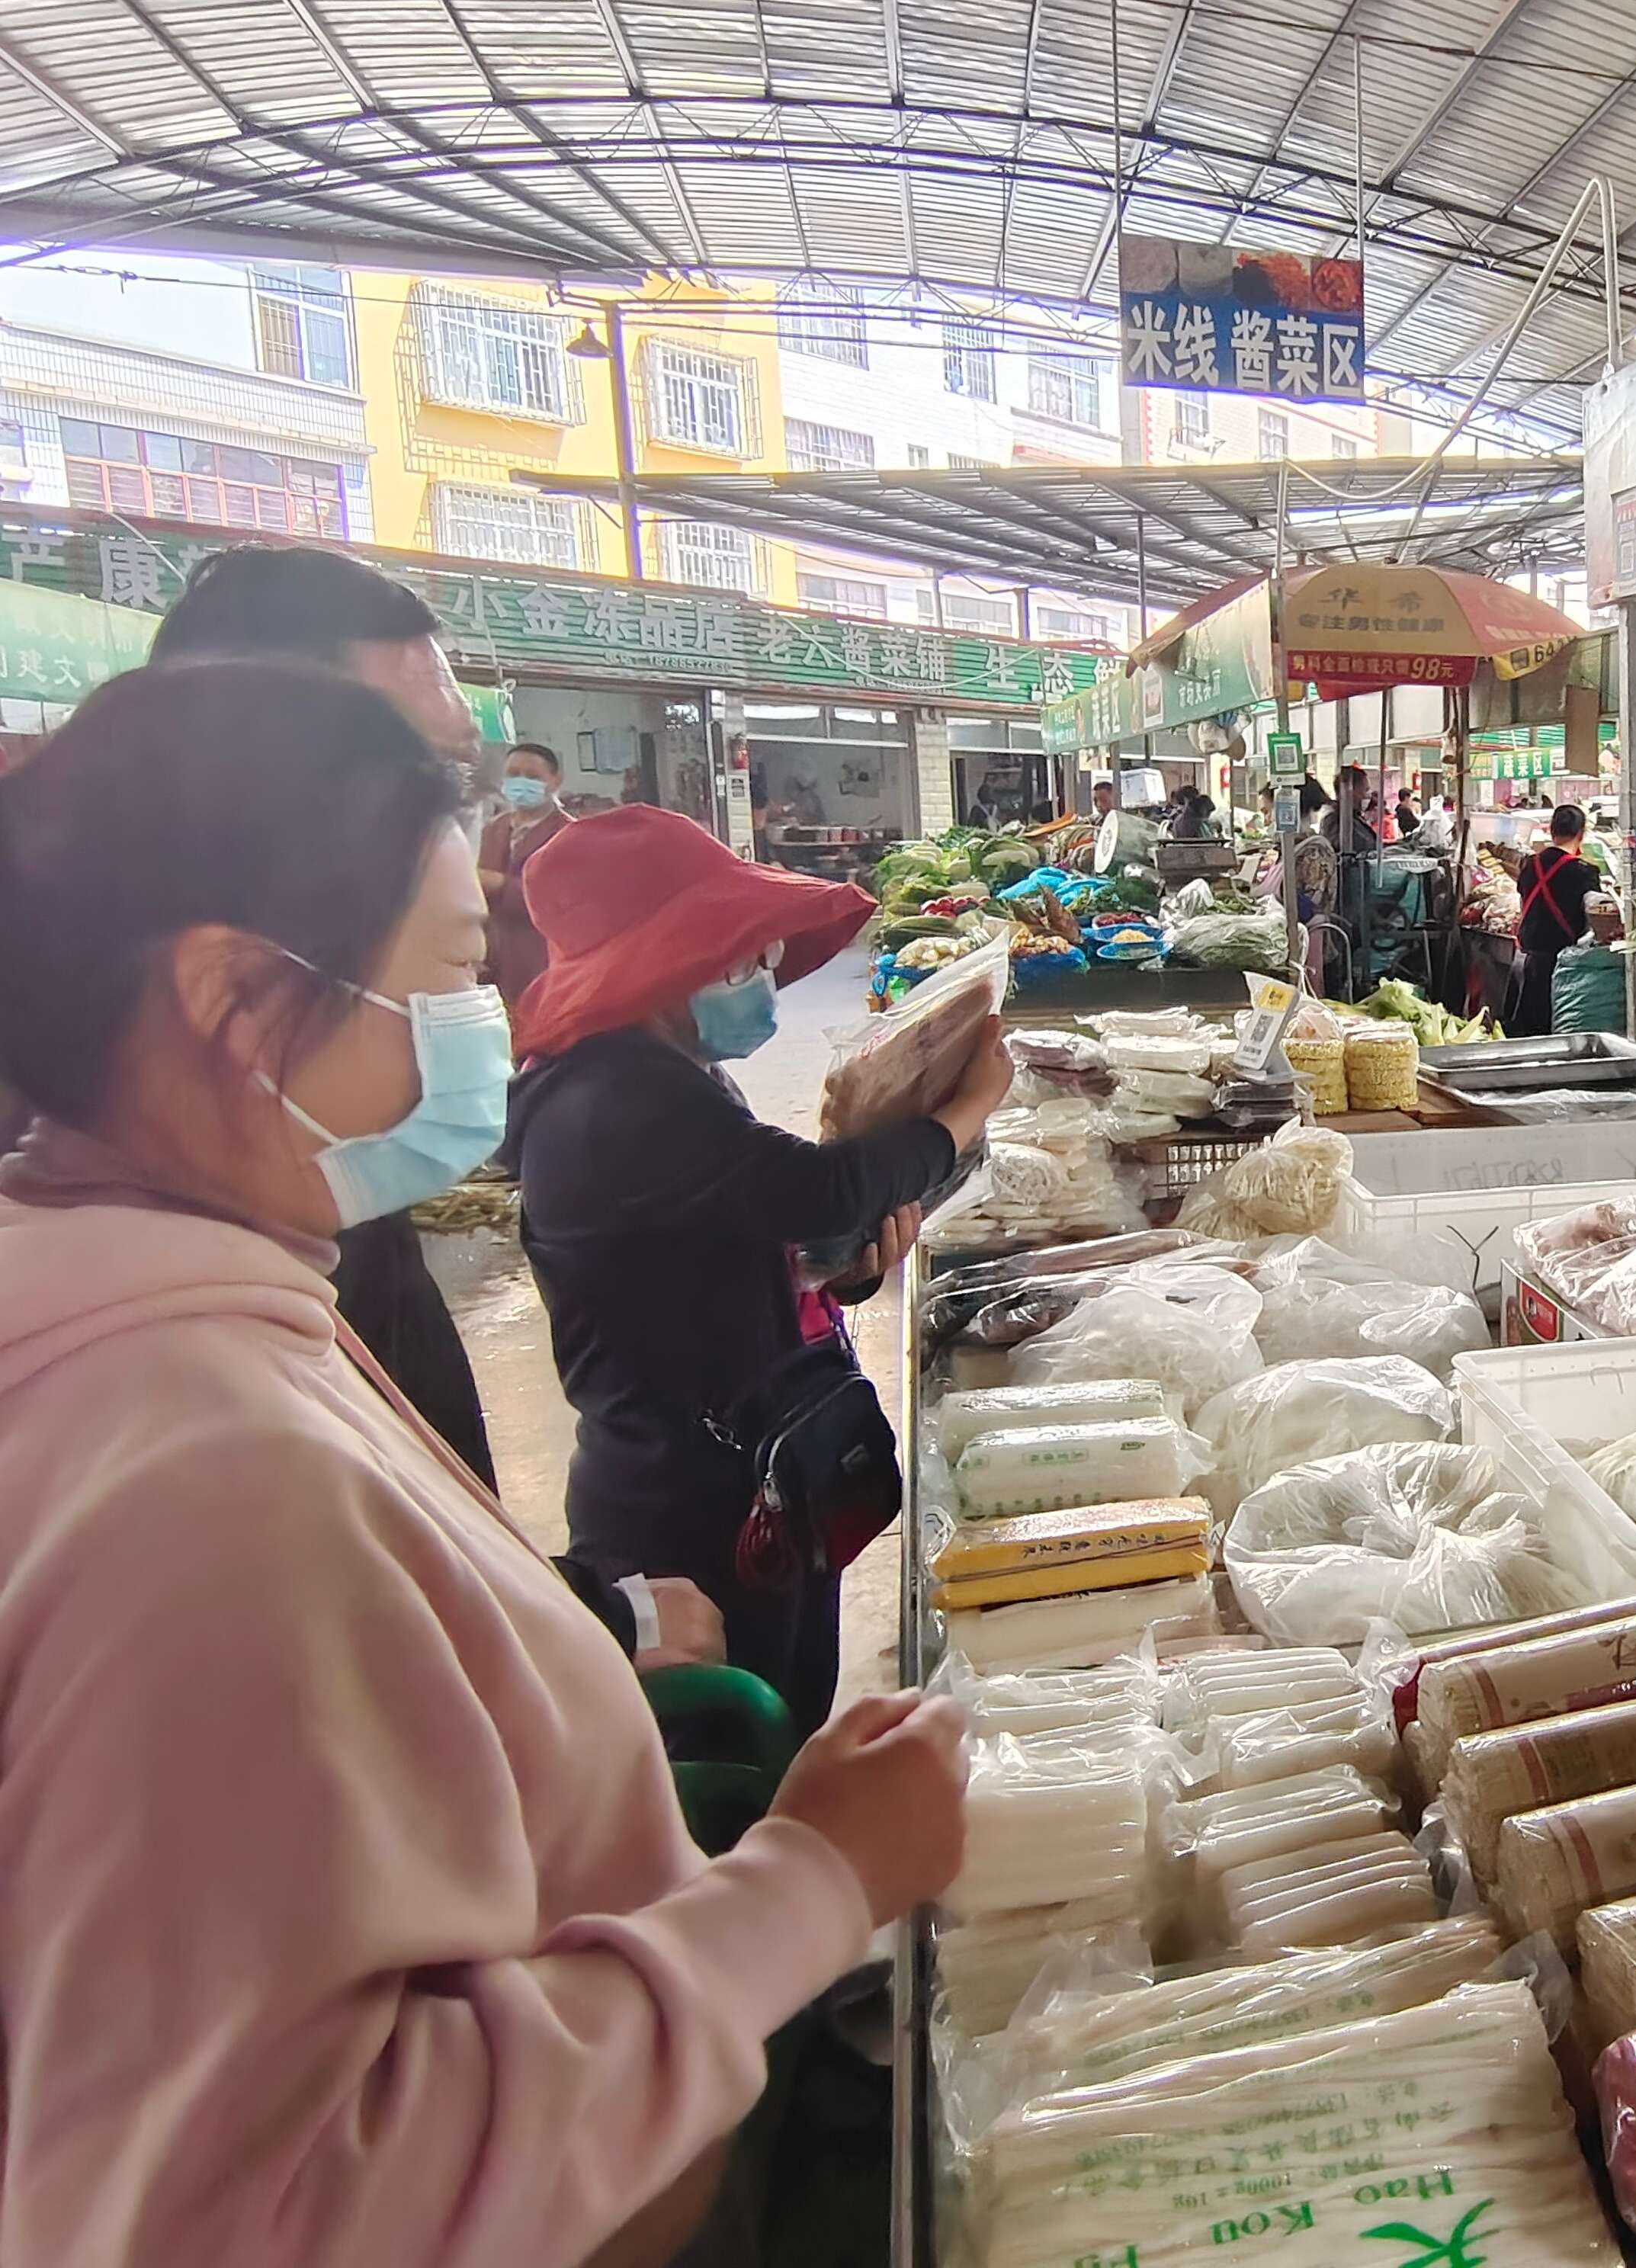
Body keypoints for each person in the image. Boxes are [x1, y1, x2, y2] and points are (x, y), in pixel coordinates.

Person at [0, 658, 967, 2267]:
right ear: (237, 1002)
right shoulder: (189, 1477)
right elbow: (263, 2207)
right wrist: (808, 1883)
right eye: (452, 973)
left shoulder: (191, 1308)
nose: (479, 1033)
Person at [504, 806, 1012, 1733]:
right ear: (652, 965)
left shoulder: (672, 1072)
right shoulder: (606, 1096)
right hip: (685, 1504)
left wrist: (836, 1271)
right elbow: (816, 1189)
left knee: (789, 1703)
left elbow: (738, 1239)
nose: (762, 984)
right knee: (734, 1751)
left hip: (755, 1466)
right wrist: (963, 1111)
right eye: (738, 963)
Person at [149, 542, 502, 1491]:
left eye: (454, 782)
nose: (443, 827)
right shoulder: (147, 1311)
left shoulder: (325, 1162)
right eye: (411, 776)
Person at [476, 740, 576, 1013]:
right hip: (491, 964)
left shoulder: (571, 835)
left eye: (532, 777)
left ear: (555, 781)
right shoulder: (492, 830)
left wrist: (499, 885)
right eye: (514, 775)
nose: (521, 783)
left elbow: (562, 902)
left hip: (542, 963)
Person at [1503, 802, 1600, 1038]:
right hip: (1566, 967)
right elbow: (1597, 914)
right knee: (1559, 1032)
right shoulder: (1584, 871)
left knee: (1531, 1031)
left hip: (1530, 962)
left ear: (1551, 831)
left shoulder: (1529, 865)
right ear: (1581, 833)